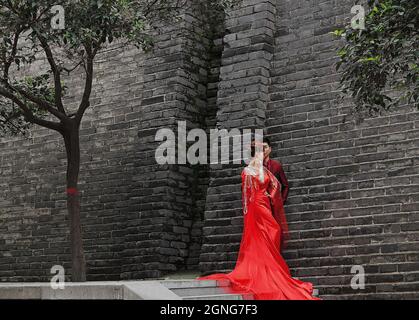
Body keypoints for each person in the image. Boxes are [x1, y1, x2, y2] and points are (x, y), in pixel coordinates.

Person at [196, 140, 319, 300]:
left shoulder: (265, 170)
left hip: (264, 204)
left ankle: (269, 267)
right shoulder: (247, 171)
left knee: (273, 231)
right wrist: (249, 209)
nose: (263, 154)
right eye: (260, 152)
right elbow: (246, 195)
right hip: (255, 206)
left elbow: (276, 185)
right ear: (257, 154)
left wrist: (272, 196)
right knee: (262, 234)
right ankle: (262, 269)